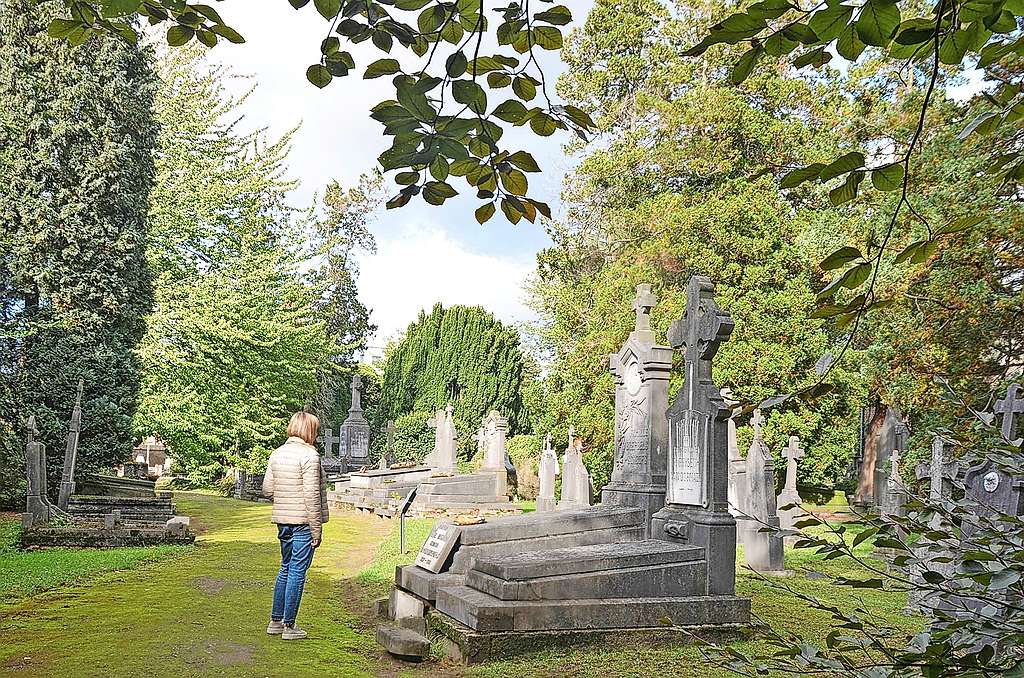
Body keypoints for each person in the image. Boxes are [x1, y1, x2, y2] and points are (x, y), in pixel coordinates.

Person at [262, 411, 329, 640]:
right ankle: (289, 626)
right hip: (302, 522)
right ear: (310, 431)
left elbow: (268, 490)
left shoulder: (277, 453)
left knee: (285, 568)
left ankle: (275, 621)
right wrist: (316, 529)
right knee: (297, 572)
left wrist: (285, 500)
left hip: (282, 521)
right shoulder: (310, 456)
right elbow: (311, 495)